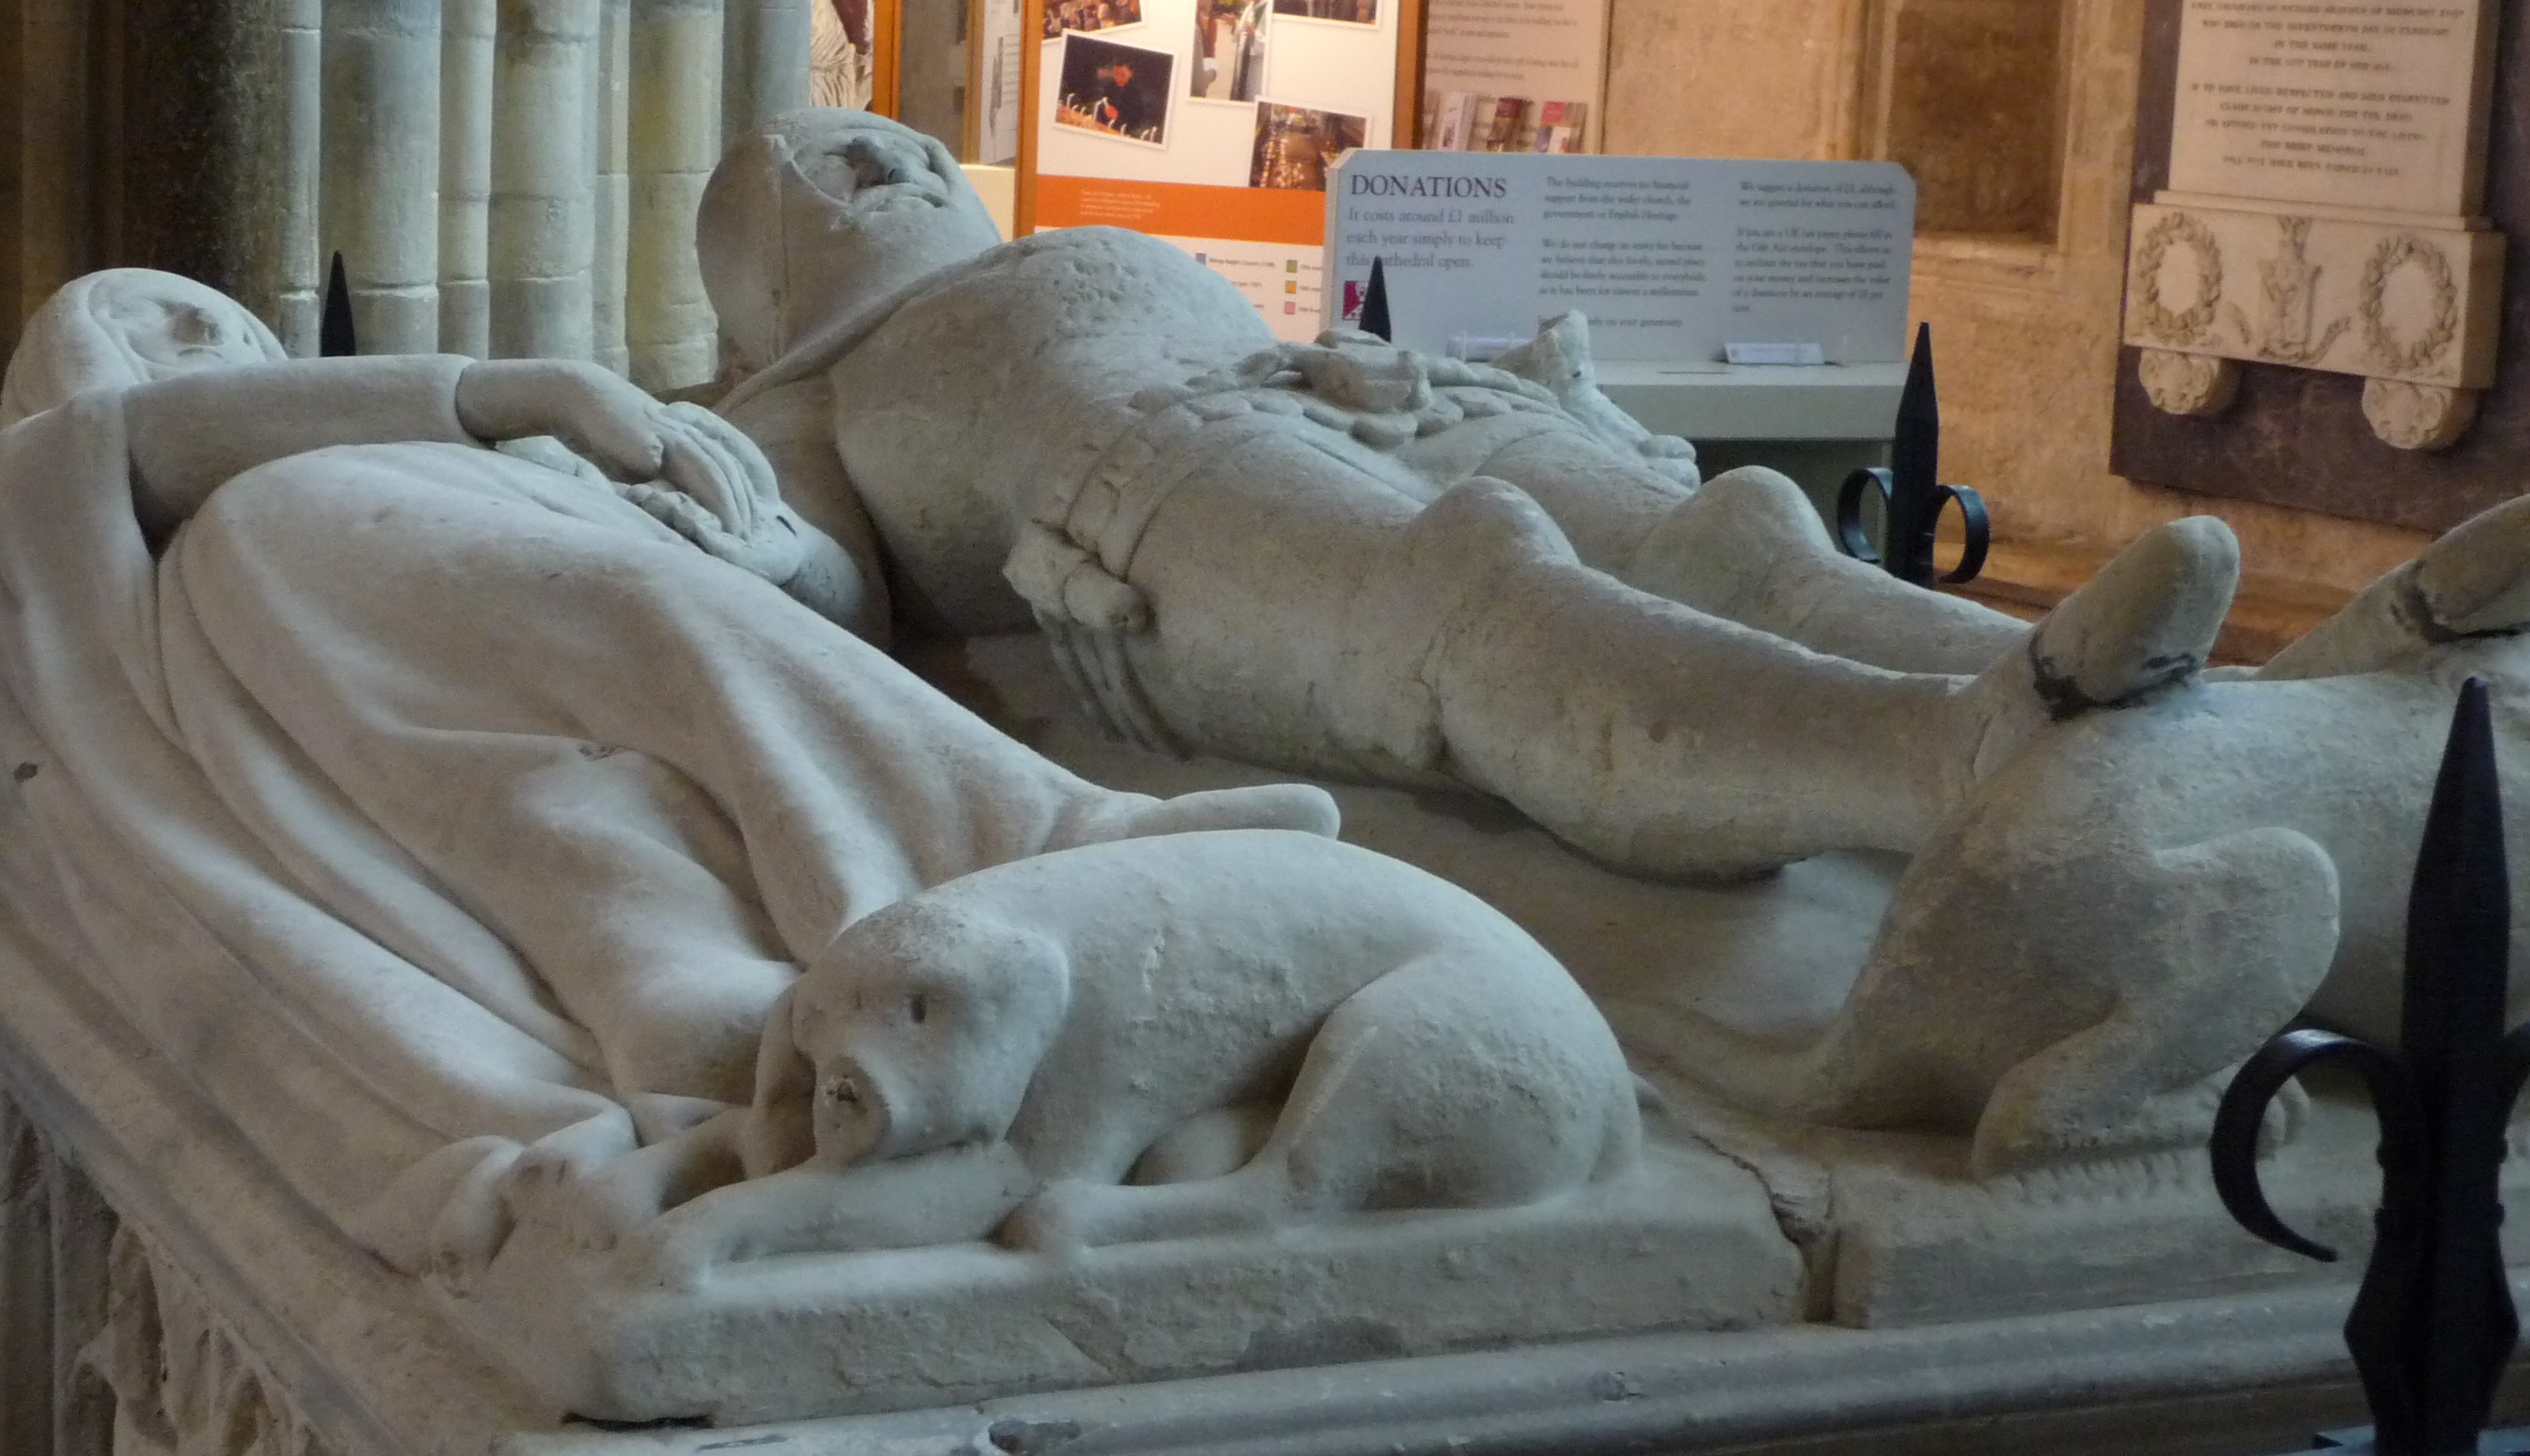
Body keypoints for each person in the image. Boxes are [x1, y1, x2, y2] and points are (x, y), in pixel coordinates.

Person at [0, 267, 1323, 1269]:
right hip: (310, 569)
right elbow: (136, 440)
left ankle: (743, 1003)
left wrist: (748, 539)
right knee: (618, 680)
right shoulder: (103, 488)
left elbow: (800, 619)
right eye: (165, 321)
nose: (232, 345)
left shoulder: (418, 477)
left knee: (588, 777)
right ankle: (1032, 843)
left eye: (227, 321)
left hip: (422, 662)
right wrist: (494, 389)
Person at [698, 109, 2231, 882]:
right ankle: (1935, 768)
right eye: (830, 172)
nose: (884, 158)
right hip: (1150, 511)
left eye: (888, 140)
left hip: (1368, 390)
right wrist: (688, 497)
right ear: (773, 277)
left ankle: (2135, 704)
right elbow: (817, 586)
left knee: (1729, 534)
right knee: (1482, 617)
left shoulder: (1048, 251)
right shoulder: (812, 398)